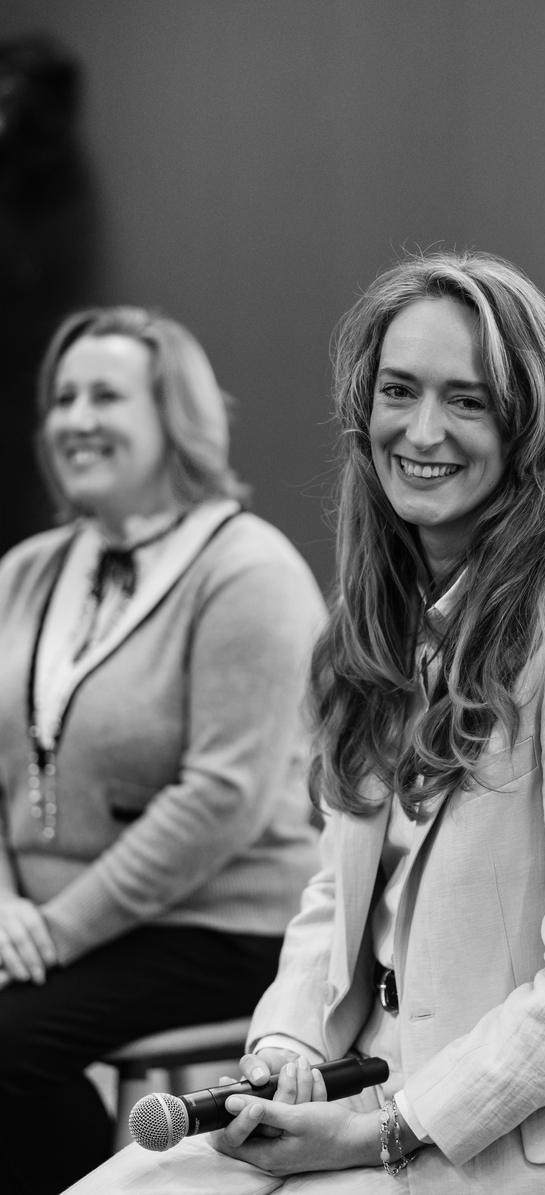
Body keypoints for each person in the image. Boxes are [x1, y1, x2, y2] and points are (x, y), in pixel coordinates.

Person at [67, 252, 545, 1195]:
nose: (423, 429)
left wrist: (386, 1130)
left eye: (467, 400)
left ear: (530, 426)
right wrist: (284, 1049)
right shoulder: (381, 623)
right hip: (372, 1105)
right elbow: (336, 894)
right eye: (399, 391)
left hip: (520, 1149)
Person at [0, 307, 326, 1194]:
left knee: (5, 1046)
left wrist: (52, 932)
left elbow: (218, 799)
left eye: (105, 396)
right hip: (41, 924)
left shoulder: (247, 572)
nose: (75, 419)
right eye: (63, 398)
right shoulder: (29, 569)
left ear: (175, 418)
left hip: (215, 923)